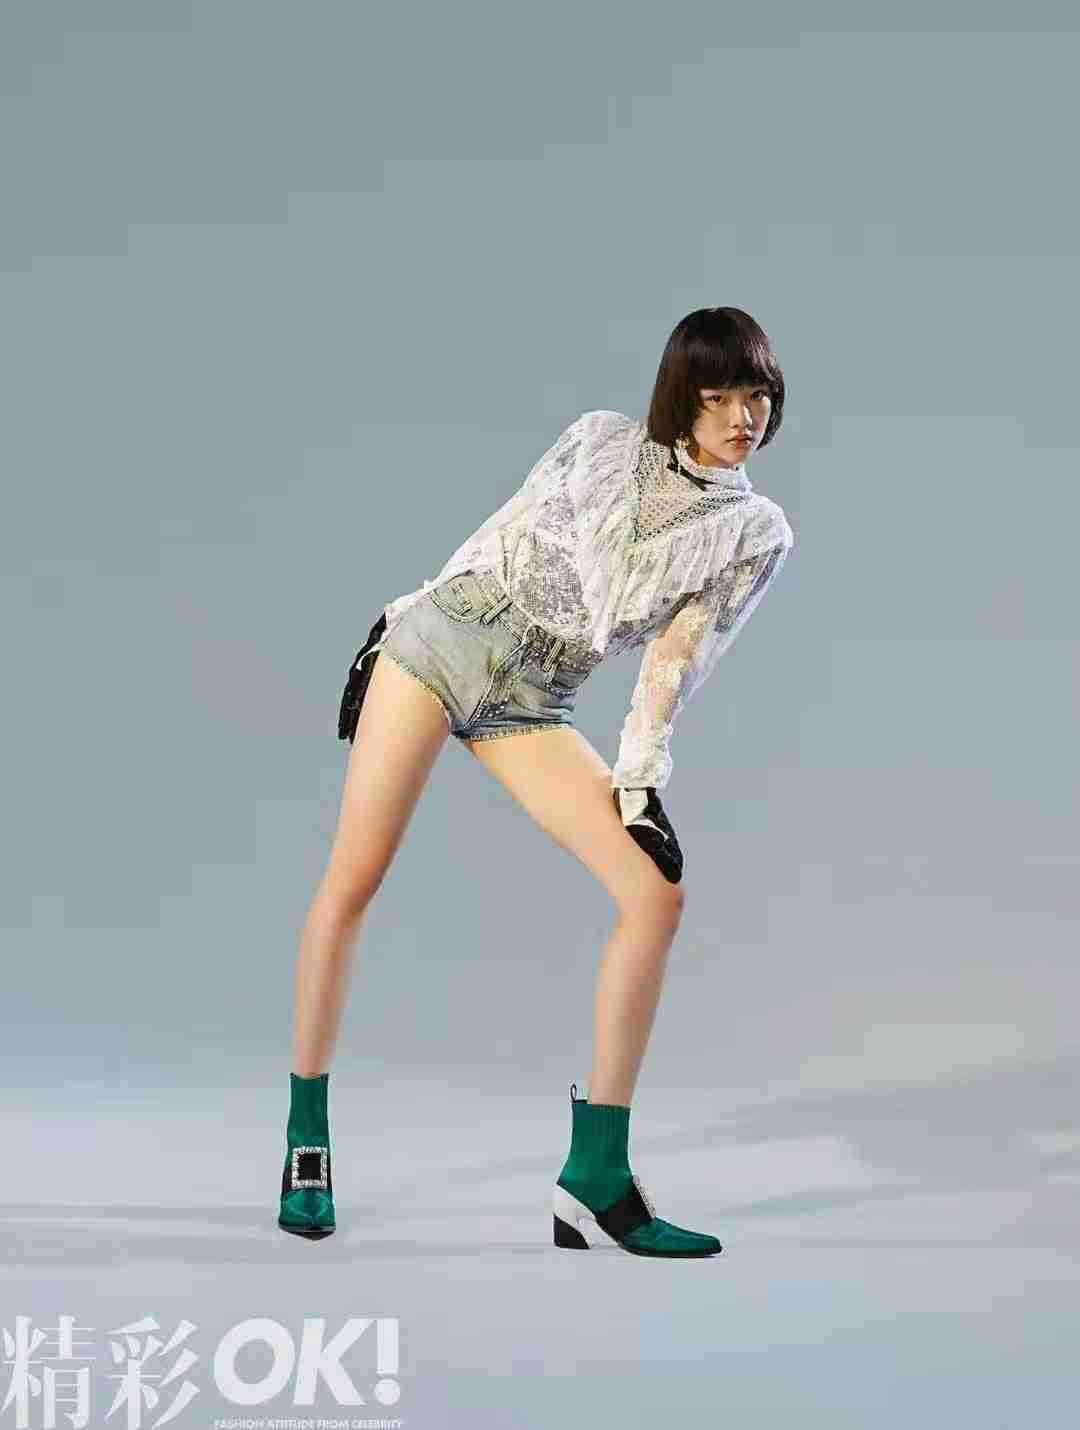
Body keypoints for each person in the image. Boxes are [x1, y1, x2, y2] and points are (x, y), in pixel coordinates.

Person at [279, 306, 795, 1256]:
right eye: (718, 395)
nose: (741, 417)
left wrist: (639, 781)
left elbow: (676, 660)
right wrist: (399, 621)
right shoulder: (599, 441)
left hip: (533, 699)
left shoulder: (752, 531)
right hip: (443, 642)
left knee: (655, 894)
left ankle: (597, 1176)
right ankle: (306, 1141)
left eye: (756, 394)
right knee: (355, 878)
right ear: (680, 398)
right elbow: (503, 535)